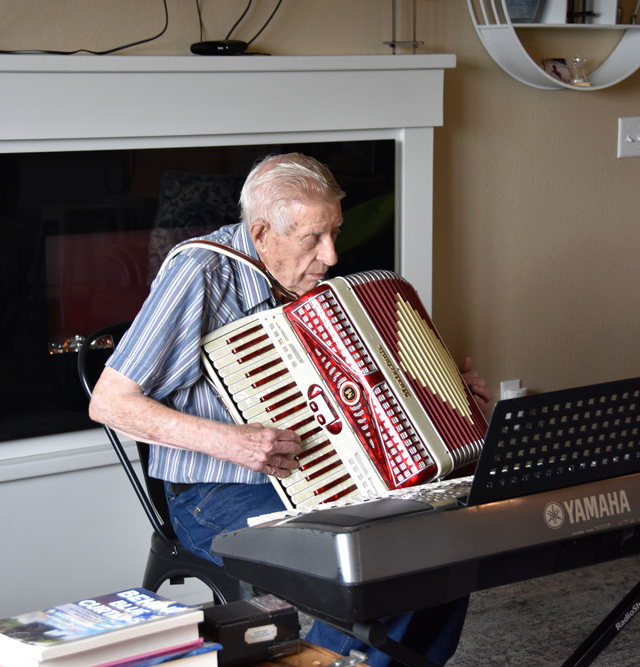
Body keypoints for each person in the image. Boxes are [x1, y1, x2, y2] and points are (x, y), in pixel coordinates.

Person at [89, 153, 492, 666]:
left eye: (335, 233)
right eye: (312, 240)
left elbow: (368, 397)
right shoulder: (200, 272)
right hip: (216, 493)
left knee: (446, 533)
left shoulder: (313, 281)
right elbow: (109, 402)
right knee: (375, 559)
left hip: (328, 480)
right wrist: (232, 441)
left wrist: (448, 400)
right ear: (260, 232)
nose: (331, 255)